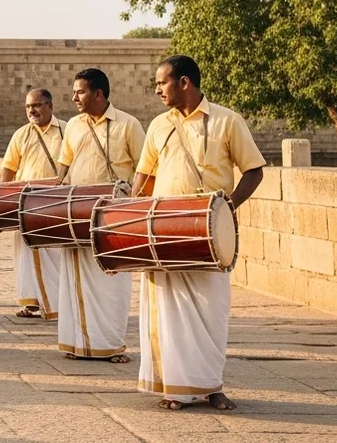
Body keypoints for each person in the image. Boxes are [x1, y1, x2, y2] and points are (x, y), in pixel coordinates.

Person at [133, 55, 264, 411]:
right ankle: (175, 387)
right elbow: (142, 178)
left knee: (212, 309)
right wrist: (134, 220)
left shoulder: (227, 120)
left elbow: (253, 170)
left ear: (185, 83)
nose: (157, 89)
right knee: (167, 309)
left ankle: (211, 385)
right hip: (163, 229)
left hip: (210, 234)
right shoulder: (158, 126)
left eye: (162, 82)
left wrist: (227, 208)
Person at [55, 68, 144, 362]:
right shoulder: (74, 127)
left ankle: (111, 345)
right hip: (78, 211)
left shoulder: (128, 125)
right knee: (76, 276)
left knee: (112, 281)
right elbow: (63, 168)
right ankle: (77, 343)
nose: (74, 97)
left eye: (79, 92)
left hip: (114, 215)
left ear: (98, 94)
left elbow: (144, 171)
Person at [0, 89, 65, 321]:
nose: (32, 110)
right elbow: (8, 168)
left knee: (56, 256)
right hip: (25, 204)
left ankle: (57, 302)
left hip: (56, 204)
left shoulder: (67, 131)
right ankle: (31, 302)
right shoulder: (21, 135)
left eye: (37, 105)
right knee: (26, 256)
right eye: (28, 106)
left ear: (50, 106)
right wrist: (3, 198)